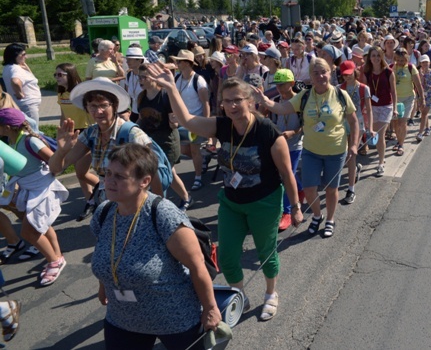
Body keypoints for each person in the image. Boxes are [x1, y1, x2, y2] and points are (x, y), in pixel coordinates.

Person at [146, 63, 301, 321]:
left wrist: (295, 207)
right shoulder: (221, 125)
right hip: (231, 201)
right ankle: (239, 295)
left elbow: (286, 173)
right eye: (227, 101)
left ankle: (271, 294)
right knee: (227, 256)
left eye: (237, 100)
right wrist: (172, 88)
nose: (231, 106)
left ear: (251, 101)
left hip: (264, 202)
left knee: (266, 252)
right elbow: (187, 121)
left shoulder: (268, 132)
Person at [90, 143, 220, 349]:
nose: (109, 181)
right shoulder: (103, 213)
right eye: (108, 173)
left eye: (120, 177)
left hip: (174, 319)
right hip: (122, 319)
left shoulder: (162, 214)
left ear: (145, 181)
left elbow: (197, 266)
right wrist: (104, 284)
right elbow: (109, 255)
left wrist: (210, 308)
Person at [256, 58, 357, 238]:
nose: (320, 76)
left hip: (336, 150)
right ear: (310, 76)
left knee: (331, 190)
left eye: (323, 72)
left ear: (330, 73)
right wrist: (264, 101)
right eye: (315, 73)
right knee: (310, 189)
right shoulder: (304, 95)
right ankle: (317, 216)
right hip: (311, 151)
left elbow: (353, 121)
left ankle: (330, 220)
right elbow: (282, 108)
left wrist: (354, 145)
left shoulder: (341, 95)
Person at [49, 77, 164, 217]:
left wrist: (157, 211)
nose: (98, 112)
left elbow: (154, 173)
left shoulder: (132, 134)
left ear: (114, 106)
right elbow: (56, 169)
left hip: (134, 205)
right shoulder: (91, 133)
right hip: (108, 203)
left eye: (104, 105)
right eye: (92, 106)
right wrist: (61, 151)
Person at [0, 108, 68, 286]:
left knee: (28, 232)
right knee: (43, 227)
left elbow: (54, 163)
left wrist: (61, 152)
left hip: (41, 190)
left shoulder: (31, 141)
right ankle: (57, 256)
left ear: (7, 126)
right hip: (30, 189)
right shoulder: (12, 139)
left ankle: (54, 261)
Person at [136, 65, 193, 209]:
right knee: (166, 173)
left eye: (144, 77)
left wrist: (175, 120)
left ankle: (161, 206)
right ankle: (184, 198)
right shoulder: (141, 97)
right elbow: (141, 118)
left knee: (163, 174)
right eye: (139, 77)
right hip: (149, 141)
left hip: (167, 140)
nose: (141, 80)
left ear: (154, 78)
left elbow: (176, 121)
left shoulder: (165, 95)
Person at [54, 63, 99, 220]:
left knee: (81, 172)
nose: (56, 77)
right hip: (72, 134)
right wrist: (61, 131)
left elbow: (93, 111)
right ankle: (90, 201)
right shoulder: (61, 93)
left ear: (70, 74)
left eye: (60, 75)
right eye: (56, 75)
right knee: (81, 173)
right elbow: (63, 114)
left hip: (86, 132)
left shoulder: (81, 92)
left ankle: (103, 190)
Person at [267, 69, 304, 231]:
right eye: (277, 85)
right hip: (279, 145)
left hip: (295, 145)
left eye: (283, 85)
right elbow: (271, 121)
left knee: (286, 174)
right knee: (289, 174)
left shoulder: (300, 101)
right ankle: (301, 190)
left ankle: (287, 211)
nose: (280, 88)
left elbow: (305, 125)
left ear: (292, 84)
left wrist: (293, 132)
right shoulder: (275, 100)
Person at [171, 50, 210, 191]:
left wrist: (206, 125)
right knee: (182, 149)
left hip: (195, 121)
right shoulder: (177, 78)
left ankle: (198, 177)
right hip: (181, 122)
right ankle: (203, 159)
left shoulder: (198, 80)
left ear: (187, 63)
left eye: (179, 61)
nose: (177, 64)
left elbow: (205, 103)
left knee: (194, 151)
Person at [338, 61, 372, 204]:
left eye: (349, 74)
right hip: (342, 125)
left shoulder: (364, 88)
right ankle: (356, 168)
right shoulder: (339, 89)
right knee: (345, 157)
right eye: (345, 75)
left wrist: (370, 128)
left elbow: (369, 109)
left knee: (350, 156)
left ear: (355, 71)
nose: (347, 77)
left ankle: (351, 189)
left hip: (358, 124)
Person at [360, 47, 397, 176]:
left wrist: (395, 108)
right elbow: (364, 92)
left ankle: (380, 163)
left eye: (378, 55)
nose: (376, 58)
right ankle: (382, 154)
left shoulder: (388, 72)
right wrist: (363, 106)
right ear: (369, 58)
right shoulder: (367, 73)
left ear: (381, 57)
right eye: (373, 56)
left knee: (380, 135)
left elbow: (393, 91)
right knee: (375, 135)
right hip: (372, 107)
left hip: (386, 106)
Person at [392, 48, 424, 155]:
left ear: (407, 59)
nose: (400, 62)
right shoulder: (392, 68)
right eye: (398, 60)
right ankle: (398, 140)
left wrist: (422, 99)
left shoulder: (411, 68)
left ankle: (401, 145)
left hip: (408, 98)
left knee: (402, 122)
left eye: (403, 60)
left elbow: (418, 85)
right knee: (396, 122)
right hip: (395, 99)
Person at [2, 44, 41, 125]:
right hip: (28, 105)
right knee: (32, 130)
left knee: (22, 130)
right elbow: (15, 81)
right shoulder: (16, 69)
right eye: (23, 55)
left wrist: (25, 66)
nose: (26, 57)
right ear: (14, 56)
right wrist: (19, 94)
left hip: (22, 104)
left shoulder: (9, 67)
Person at [416, 55, 431, 140]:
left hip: (430, 95)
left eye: (426, 62)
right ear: (420, 63)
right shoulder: (418, 72)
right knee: (424, 113)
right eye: (423, 62)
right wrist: (420, 75)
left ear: (429, 63)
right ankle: (427, 128)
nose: (425, 64)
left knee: (423, 114)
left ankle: (420, 133)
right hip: (421, 95)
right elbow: (417, 83)